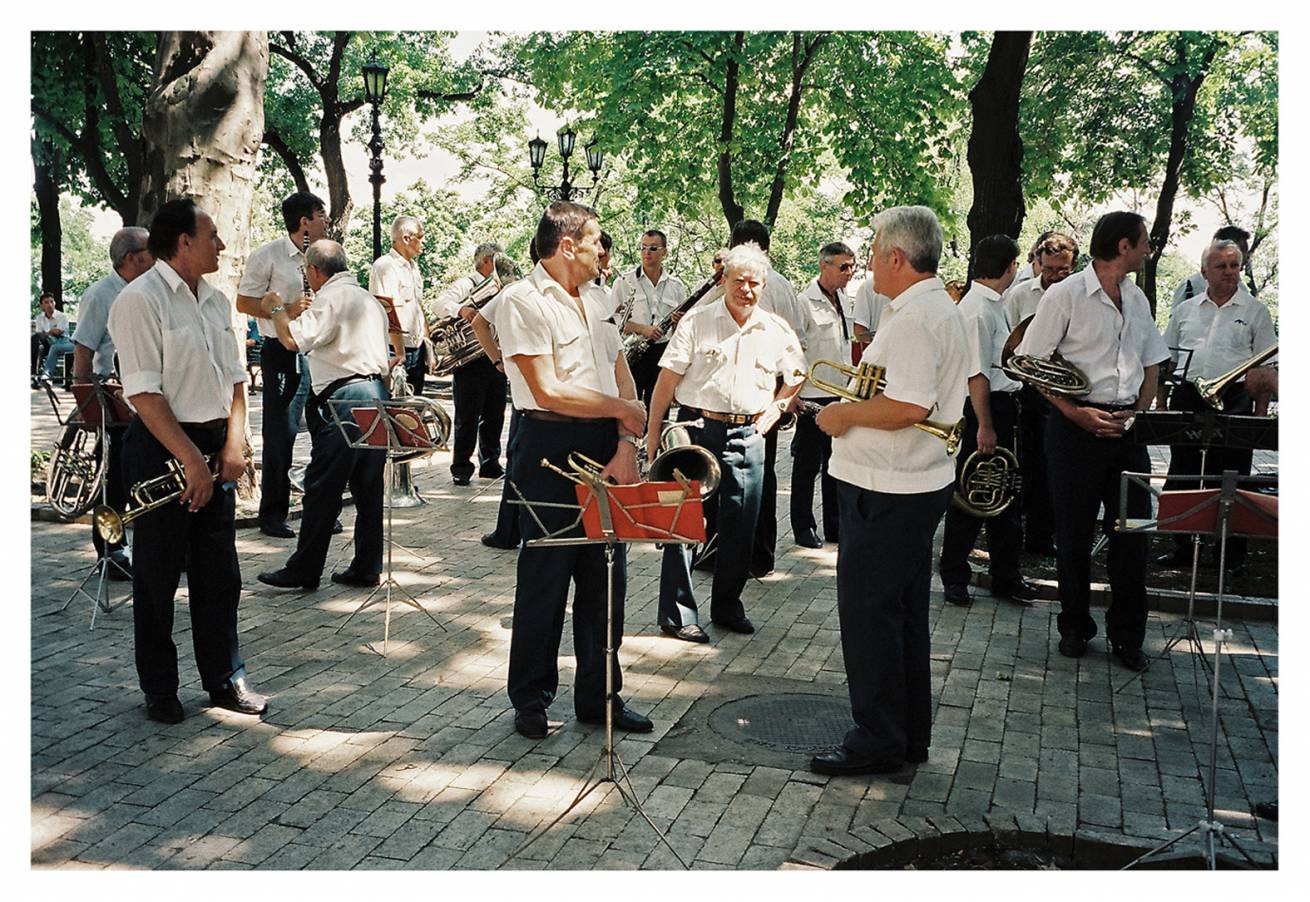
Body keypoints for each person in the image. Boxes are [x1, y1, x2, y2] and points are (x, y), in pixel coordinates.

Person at [809, 206, 975, 776]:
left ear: (897, 258)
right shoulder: (932, 308)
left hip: (888, 489)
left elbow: (908, 405)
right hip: (908, 484)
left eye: (876, 253)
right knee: (901, 616)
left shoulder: (913, 318)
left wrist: (842, 415)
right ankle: (905, 736)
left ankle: (877, 740)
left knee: (870, 618)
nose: (870, 265)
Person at [107, 198, 265, 724]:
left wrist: (233, 445)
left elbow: (236, 379)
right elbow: (144, 394)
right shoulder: (139, 300)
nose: (221, 244)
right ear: (183, 242)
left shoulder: (216, 301)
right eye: (212, 236)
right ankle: (160, 687)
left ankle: (225, 678)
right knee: (156, 576)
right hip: (162, 446)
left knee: (220, 575)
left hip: (214, 444)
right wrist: (191, 461)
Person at [498, 201, 652, 740]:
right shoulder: (521, 300)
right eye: (595, 241)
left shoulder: (600, 297)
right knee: (545, 577)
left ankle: (600, 695)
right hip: (548, 444)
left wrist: (626, 444)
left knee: (606, 577)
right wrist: (623, 411)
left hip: (606, 443)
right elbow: (547, 389)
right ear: (567, 246)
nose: (603, 251)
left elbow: (620, 372)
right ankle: (531, 698)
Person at [1018, 211, 1170, 672]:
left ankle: (1128, 636)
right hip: (1074, 431)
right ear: (1123, 246)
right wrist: (1074, 413)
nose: (1148, 250)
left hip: (1127, 431)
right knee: (1074, 534)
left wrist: (1138, 412)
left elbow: (1152, 362)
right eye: (1144, 242)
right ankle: (1074, 628)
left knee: (1133, 536)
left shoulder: (1137, 297)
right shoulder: (1065, 294)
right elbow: (1029, 363)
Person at [647, 242, 806, 643]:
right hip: (696, 430)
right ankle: (678, 615)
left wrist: (777, 407)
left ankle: (728, 606)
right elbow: (666, 381)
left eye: (754, 283)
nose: (746, 290)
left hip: (749, 435)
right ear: (724, 280)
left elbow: (797, 373)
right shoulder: (697, 321)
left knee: (741, 524)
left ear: (764, 285)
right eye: (738, 281)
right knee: (684, 523)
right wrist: (652, 434)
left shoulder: (775, 329)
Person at [255, 240, 392, 592]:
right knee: (368, 487)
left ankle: (305, 568)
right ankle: (366, 566)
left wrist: (275, 308)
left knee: (321, 486)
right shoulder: (367, 300)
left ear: (315, 271)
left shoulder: (332, 297)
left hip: (347, 397)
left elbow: (292, 340)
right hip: (375, 393)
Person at [1157, 239, 1277, 572]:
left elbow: (1265, 368)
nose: (1229, 272)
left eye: (1234, 265)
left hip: (1235, 399)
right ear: (1204, 272)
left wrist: (1258, 418)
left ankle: (1229, 554)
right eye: (1221, 266)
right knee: (1183, 472)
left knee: (1232, 476)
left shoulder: (1256, 311)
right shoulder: (1185, 310)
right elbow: (1167, 361)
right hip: (1189, 395)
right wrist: (1162, 405)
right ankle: (1182, 547)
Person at [938, 234, 1039, 607]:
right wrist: (985, 425)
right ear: (1010, 266)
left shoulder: (993, 304)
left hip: (1002, 405)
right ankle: (954, 575)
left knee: (1005, 494)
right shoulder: (978, 309)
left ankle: (1005, 577)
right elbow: (976, 374)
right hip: (984, 407)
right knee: (972, 496)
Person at [714, 219, 809, 578]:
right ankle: (757, 555)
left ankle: (740, 553)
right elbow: (800, 341)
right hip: (762, 390)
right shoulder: (782, 285)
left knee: (745, 477)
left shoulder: (745, 284)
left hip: (751, 392)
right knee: (759, 475)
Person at [234, 191, 329, 539]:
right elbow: (244, 302)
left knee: (324, 431)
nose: (327, 221)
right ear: (304, 222)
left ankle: (321, 509)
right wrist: (285, 310)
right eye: (321, 215)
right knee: (281, 434)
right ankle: (273, 514)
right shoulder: (267, 256)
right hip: (282, 351)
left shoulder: (325, 255)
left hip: (318, 350)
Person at [70, 226, 153, 579]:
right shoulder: (100, 294)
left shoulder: (147, 290)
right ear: (132, 258)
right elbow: (83, 350)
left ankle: (156, 549)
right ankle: (111, 549)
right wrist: (86, 403)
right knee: (115, 479)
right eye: (150, 251)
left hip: (144, 398)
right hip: (113, 402)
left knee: (145, 474)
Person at [1001, 231, 1078, 558]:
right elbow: (1008, 345)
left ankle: (1045, 534)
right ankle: (1022, 533)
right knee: (1030, 464)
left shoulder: (1081, 295)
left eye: (1063, 271)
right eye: (1049, 270)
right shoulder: (1020, 295)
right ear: (1037, 263)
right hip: (1030, 393)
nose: (1056, 276)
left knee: (1059, 467)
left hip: (1069, 392)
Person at [790, 241, 857, 548]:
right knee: (807, 465)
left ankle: (835, 525)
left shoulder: (843, 298)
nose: (849, 272)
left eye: (852, 266)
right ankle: (803, 527)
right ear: (824, 265)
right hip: (812, 396)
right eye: (843, 267)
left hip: (840, 393)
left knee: (836, 463)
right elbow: (794, 352)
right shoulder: (804, 302)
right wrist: (793, 394)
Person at [435, 242, 508, 486]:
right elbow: (439, 304)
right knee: (467, 415)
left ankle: (490, 463)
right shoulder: (465, 284)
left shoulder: (502, 287)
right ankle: (461, 466)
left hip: (494, 355)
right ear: (486, 261)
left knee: (495, 414)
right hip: (470, 362)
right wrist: (461, 309)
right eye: (497, 260)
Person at [608, 229, 688, 404]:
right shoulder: (623, 282)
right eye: (643, 247)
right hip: (633, 351)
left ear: (664, 252)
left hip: (663, 352)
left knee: (659, 406)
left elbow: (682, 328)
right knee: (630, 404)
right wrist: (643, 329)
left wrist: (677, 322)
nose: (646, 252)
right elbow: (613, 322)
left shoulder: (676, 286)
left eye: (653, 248)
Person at [469, 287, 521, 551]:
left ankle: (508, 532)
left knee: (518, 465)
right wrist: (498, 361)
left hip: (531, 397)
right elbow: (479, 322)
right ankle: (508, 531)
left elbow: (479, 322)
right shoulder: (518, 291)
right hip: (529, 397)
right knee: (517, 465)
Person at [370, 216, 430, 396]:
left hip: (416, 348)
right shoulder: (384, 266)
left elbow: (418, 308)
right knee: (396, 405)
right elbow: (387, 309)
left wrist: (427, 345)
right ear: (406, 238)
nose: (424, 241)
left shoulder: (413, 267)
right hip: (395, 350)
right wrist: (399, 353)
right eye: (420, 236)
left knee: (414, 406)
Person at [1171, 225, 1253, 308]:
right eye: (1243, 251)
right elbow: (1177, 315)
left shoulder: (1242, 289)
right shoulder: (1191, 285)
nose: (1246, 257)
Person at [33, 293, 75, 387]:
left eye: (52, 302)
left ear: (55, 303)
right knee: (36, 345)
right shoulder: (39, 318)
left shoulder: (61, 316)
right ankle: (34, 375)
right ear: (41, 305)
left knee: (54, 347)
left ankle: (47, 376)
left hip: (66, 344)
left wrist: (46, 333)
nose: (50, 305)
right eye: (46, 302)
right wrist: (50, 332)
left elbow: (58, 332)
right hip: (48, 344)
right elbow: (39, 335)